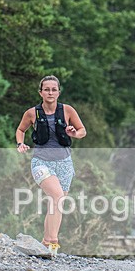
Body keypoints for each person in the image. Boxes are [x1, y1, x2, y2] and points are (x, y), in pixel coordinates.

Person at [15, 75, 86, 256]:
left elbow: (82, 131)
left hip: (64, 163)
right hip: (41, 162)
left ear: (58, 92)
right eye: (46, 89)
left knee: (57, 203)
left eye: (54, 89)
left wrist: (74, 133)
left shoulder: (68, 110)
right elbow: (20, 130)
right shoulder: (32, 113)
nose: (50, 92)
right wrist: (20, 144)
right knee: (56, 195)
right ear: (41, 92)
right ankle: (53, 243)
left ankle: (45, 242)